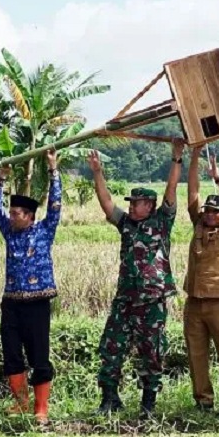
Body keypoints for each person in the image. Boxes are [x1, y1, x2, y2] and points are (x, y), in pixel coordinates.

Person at [89, 139, 185, 418]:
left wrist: (176, 159)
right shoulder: (126, 225)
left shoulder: (161, 222)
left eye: (138, 203)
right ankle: (109, 399)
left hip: (152, 302)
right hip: (125, 301)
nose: (131, 207)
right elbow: (107, 204)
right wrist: (97, 172)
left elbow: (171, 191)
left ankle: (148, 404)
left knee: (151, 352)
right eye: (131, 203)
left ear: (150, 205)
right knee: (111, 347)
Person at [0, 149, 62, 423]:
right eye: (12, 212)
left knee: (39, 356)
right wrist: (0, 179)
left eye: (17, 213)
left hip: (37, 303)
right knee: (11, 353)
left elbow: (55, 205)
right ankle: (20, 402)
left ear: (29, 216)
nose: (11, 217)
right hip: (11, 303)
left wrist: (53, 170)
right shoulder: (9, 232)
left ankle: (41, 409)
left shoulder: (44, 230)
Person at [182, 147, 219, 414]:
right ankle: (203, 401)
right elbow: (192, 193)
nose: (208, 214)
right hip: (193, 303)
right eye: (207, 211)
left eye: (215, 211)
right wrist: (194, 156)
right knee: (196, 355)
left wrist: (218, 178)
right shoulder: (198, 225)